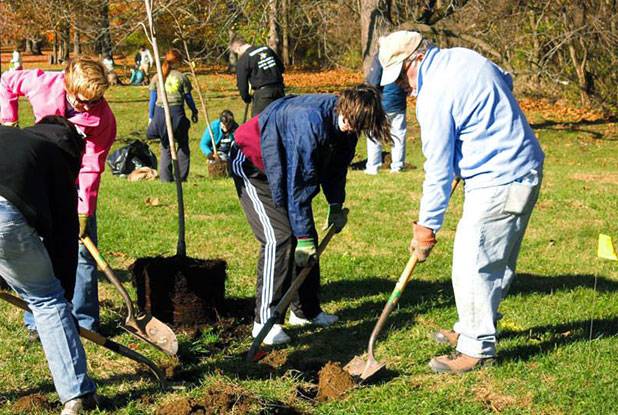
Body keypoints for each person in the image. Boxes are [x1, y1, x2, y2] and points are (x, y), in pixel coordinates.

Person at [378, 31, 545, 373]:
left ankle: (476, 350)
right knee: (497, 258)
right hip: (526, 167)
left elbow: (437, 170)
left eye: (400, 77)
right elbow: (505, 82)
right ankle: (474, 327)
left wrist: (426, 227)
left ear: (416, 60)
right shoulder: (465, 56)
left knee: (472, 263)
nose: (402, 88)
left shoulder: (434, 94)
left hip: (498, 177)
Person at [230, 85, 389, 345]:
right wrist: (301, 236)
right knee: (280, 238)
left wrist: (336, 204)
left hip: (282, 165)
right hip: (252, 162)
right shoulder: (309, 121)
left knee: (306, 236)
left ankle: (305, 312)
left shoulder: (348, 124)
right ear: (345, 108)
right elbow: (298, 184)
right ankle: (264, 323)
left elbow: (336, 168)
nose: (353, 130)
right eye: (353, 123)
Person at [0, 56, 117, 335]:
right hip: (37, 176)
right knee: (38, 246)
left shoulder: (104, 120)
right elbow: (6, 81)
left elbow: (92, 166)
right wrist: (9, 122)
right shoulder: (42, 83)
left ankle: (85, 320)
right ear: (67, 85)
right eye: (82, 101)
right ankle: (38, 319)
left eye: (94, 101)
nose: (88, 107)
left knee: (83, 253)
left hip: (72, 181)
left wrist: (84, 211)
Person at [0, 116, 98, 415]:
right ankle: (76, 395)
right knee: (46, 299)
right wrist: (63, 302)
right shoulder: (56, 161)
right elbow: (64, 243)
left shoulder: (12, 137)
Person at [147, 48, 198, 182]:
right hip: (177, 113)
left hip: (160, 113)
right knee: (183, 143)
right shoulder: (182, 77)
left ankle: (165, 178)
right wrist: (194, 111)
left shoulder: (157, 76)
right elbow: (188, 98)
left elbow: (152, 100)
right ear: (178, 62)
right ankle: (180, 177)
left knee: (165, 146)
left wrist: (151, 117)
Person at [364, 52, 408, 174]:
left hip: (382, 102)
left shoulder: (381, 56)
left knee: (374, 133)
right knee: (399, 134)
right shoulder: (402, 55)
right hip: (399, 102)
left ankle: (373, 166)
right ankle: (398, 166)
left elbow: (373, 81)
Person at [230, 36, 285, 116]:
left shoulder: (244, 59)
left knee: (258, 124)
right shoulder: (266, 49)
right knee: (280, 120)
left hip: (263, 96)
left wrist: (247, 98)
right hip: (280, 91)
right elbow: (281, 68)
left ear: (238, 48)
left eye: (236, 53)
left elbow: (242, 84)